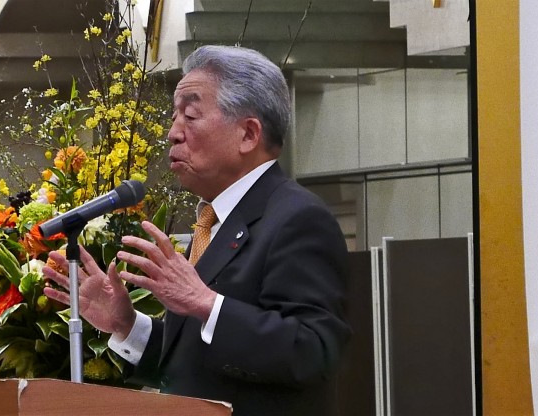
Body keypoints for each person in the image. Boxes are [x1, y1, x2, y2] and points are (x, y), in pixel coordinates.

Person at [43, 45, 350, 416]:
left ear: (248, 134)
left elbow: (313, 352)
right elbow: (195, 367)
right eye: (174, 116)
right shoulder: (215, 220)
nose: (173, 133)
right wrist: (127, 324)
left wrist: (206, 303)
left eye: (190, 115)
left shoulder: (298, 218)